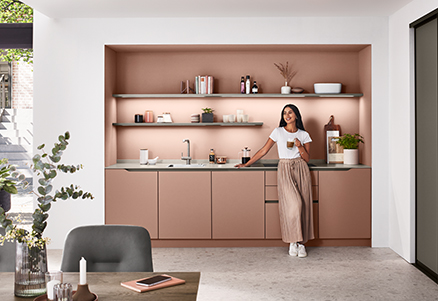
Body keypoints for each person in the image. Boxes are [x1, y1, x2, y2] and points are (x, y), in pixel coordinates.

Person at [235, 104, 314, 257]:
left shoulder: (304, 135)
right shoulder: (278, 132)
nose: (287, 115)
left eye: (290, 112)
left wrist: (300, 147)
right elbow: (264, 150)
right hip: (284, 168)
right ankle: (293, 241)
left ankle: (301, 244)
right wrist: (247, 164)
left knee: (303, 205)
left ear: (296, 115)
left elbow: (307, 158)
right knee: (294, 205)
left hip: (301, 169)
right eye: (284, 113)